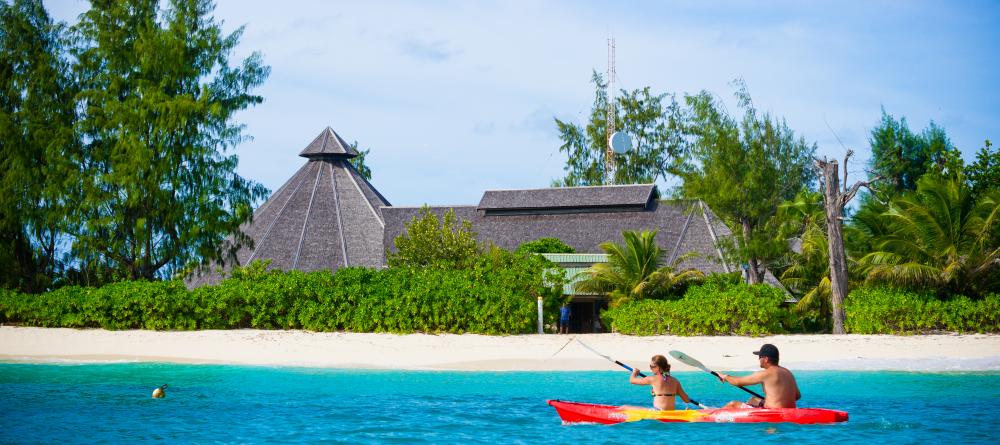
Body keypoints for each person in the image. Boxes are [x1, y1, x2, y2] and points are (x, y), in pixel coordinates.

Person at [717, 344, 800, 409]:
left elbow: (738, 382)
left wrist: (725, 376)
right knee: (753, 400)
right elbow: (797, 396)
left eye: (760, 357)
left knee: (733, 404)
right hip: (789, 410)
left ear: (766, 359)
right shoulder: (788, 372)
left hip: (773, 412)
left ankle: (710, 415)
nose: (758, 359)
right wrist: (775, 399)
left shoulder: (765, 374)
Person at [629, 355, 693, 410]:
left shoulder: (652, 379)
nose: (651, 369)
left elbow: (632, 380)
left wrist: (634, 373)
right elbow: (686, 400)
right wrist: (676, 392)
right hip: (670, 412)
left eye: (652, 366)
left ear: (658, 367)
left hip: (658, 412)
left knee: (626, 407)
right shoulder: (675, 381)